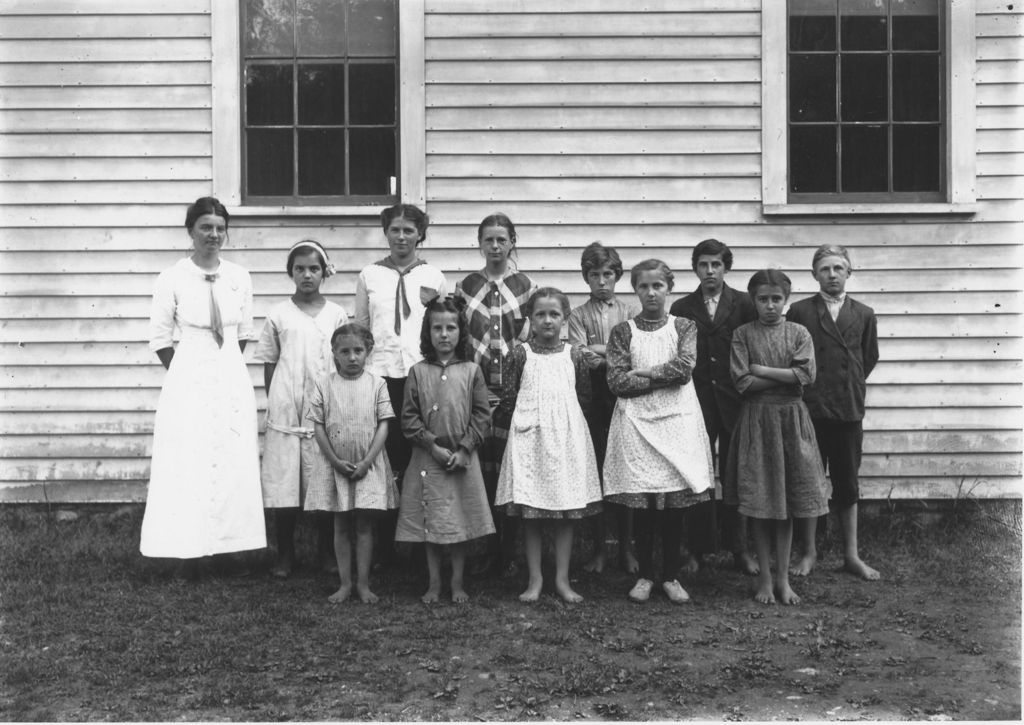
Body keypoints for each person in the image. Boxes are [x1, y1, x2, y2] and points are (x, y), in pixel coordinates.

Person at [141, 196, 265, 577]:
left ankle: (228, 547)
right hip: (188, 374)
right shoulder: (172, 277)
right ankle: (187, 552)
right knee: (187, 459)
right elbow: (161, 339)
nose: (213, 235)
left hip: (229, 371)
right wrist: (186, 373)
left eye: (220, 228)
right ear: (191, 231)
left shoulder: (239, 277)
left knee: (231, 457)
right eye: (206, 227)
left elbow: (243, 333)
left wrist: (225, 365)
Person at [603, 259, 714, 604]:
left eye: (658, 286)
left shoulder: (684, 327)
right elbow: (618, 381)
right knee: (646, 503)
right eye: (643, 287)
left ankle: (670, 574)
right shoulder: (623, 332)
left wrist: (645, 373)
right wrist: (658, 380)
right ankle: (646, 574)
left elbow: (683, 370)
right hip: (637, 422)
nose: (651, 293)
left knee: (674, 502)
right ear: (635, 289)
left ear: (668, 288)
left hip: (677, 420)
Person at [724, 269, 829, 605]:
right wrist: (786, 377)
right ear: (753, 301)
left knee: (785, 503)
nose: (770, 306)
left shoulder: (798, 332)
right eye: (762, 299)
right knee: (760, 502)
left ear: (786, 300)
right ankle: (765, 581)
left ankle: (784, 579)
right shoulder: (743, 334)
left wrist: (764, 370)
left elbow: (806, 374)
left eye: (776, 299)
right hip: (757, 421)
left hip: (791, 421)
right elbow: (742, 382)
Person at [494, 288, 602, 603]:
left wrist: (564, 424)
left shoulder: (575, 355)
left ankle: (562, 579)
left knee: (565, 509)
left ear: (565, 318)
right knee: (532, 511)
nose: (547, 320)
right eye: (540, 314)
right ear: (531, 318)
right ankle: (535, 579)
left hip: (566, 437)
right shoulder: (519, 354)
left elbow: (583, 396)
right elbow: (509, 397)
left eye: (554, 314)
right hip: (530, 437)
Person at [354, 204, 449, 565]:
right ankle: (381, 544)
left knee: (417, 456)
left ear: (420, 235)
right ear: (386, 233)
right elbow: (362, 326)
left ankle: (418, 543)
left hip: (419, 375)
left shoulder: (434, 276)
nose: (402, 237)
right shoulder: (369, 275)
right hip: (380, 375)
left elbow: (441, 326)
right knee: (384, 457)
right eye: (395, 230)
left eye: (409, 230)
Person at [786, 245, 880, 581]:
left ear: (849, 273)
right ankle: (808, 551)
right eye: (825, 269)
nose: (832, 275)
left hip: (847, 408)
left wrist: (847, 386)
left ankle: (851, 554)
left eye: (839, 268)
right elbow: (791, 356)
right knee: (810, 480)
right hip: (810, 407)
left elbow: (866, 359)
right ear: (815, 274)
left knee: (847, 482)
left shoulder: (864, 313)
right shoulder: (799, 311)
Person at [255, 240, 348, 578]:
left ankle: (326, 551)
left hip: (323, 403)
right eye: (300, 269)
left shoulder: (336, 313)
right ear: (290, 273)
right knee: (285, 481)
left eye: (314, 269)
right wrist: (276, 402)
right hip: (287, 405)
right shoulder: (278, 314)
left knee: (322, 480)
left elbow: (343, 358)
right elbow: (270, 360)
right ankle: (285, 553)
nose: (307, 275)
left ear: (325, 272)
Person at [396, 296, 496, 603]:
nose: (443, 334)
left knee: (458, 521)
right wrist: (431, 445)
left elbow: (482, 415)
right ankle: (434, 583)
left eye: (450, 327)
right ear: (428, 333)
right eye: (437, 328)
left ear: (460, 332)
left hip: (463, 459)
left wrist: (466, 449)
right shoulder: (418, 371)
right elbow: (409, 417)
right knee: (431, 522)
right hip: (428, 458)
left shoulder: (470, 371)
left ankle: (457, 583)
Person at [669, 238, 759, 575]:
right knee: (698, 479)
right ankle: (696, 549)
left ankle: (741, 549)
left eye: (716, 265)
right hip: (696, 405)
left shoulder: (745, 304)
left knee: (737, 476)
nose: (710, 271)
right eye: (704, 265)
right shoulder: (681, 307)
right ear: (695, 268)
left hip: (736, 402)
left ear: (726, 267)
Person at [457, 213, 536, 578]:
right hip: (476, 388)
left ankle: (511, 549)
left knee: (510, 469)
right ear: (480, 243)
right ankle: (485, 547)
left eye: (502, 240)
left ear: (512, 242)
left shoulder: (525, 286)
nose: (495, 247)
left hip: (512, 389)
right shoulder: (466, 286)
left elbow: (527, 339)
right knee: (482, 471)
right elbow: (460, 340)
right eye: (488, 240)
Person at [307, 324, 398, 604]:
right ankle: (345, 583)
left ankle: (363, 584)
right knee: (341, 525)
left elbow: (384, 424)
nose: (352, 357)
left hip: (367, 466)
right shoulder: (325, 385)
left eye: (358, 350)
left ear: (368, 352)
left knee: (364, 527)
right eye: (344, 351)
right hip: (336, 467)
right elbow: (319, 426)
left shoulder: (377, 383)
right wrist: (334, 461)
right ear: (334, 353)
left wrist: (368, 461)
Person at [567, 241, 639, 575]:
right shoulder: (577, 314)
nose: (601, 281)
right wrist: (614, 352)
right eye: (594, 274)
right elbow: (580, 354)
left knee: (623, 471)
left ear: (617, 275)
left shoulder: (629, 312)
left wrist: (606, 353)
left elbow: (635, 353)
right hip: (592, 397)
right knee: (596, 470)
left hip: (625, 398)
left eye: (607, 273)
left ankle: (626, 547)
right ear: (586, 277)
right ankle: (598, 547)